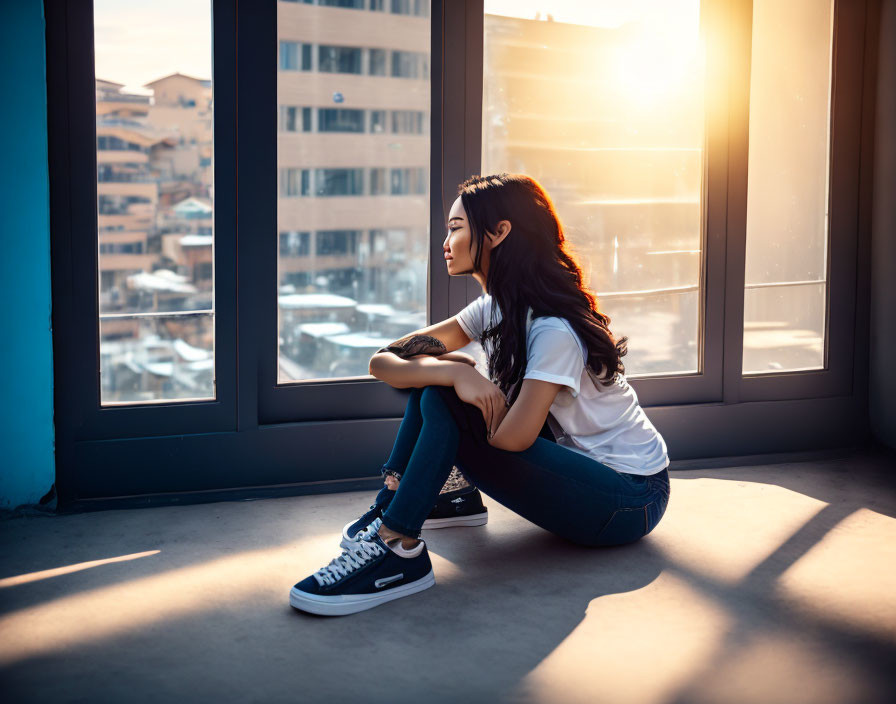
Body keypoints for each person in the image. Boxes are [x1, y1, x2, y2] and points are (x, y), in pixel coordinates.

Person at [289, 173, 671, 616]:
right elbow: (383, 361)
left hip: (629, 499)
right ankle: (446, 498)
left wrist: (453, 379)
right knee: (440, 385)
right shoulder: (496, 308)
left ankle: (398, 546)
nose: (446, 241)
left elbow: (514, 441)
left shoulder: (552, 329)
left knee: (443, 395)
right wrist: (454, 373)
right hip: (581, 473)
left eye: (456, 228)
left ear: (499, 232)